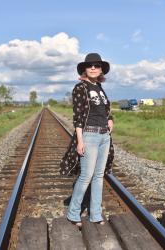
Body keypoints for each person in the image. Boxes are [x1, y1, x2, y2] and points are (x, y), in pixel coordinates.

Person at [59, 53, 114, 228]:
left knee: (98, 176)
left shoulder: (99, 87)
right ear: (84, 69)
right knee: (86, 176)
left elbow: (103, 109)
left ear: (101, 70)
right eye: (89, 65)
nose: (93, 68)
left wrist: (110, 118)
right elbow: (78, 117)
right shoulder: (80, 88)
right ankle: (73, 213)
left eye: (96, 66)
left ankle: (95, 214)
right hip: (89, 135)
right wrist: (80, 141)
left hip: (104, 136)